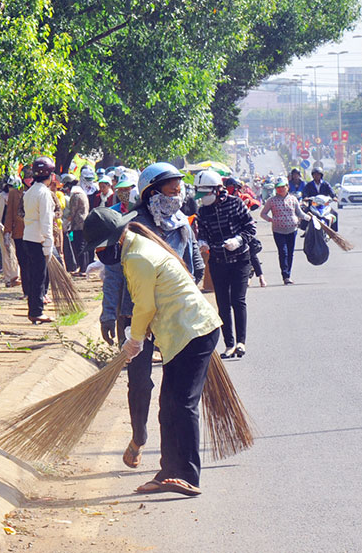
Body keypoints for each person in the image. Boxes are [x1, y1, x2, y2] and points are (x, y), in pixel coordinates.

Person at [84, 208, 222, 497]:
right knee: (168, 405)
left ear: (114, 241)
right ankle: (168, 472)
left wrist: (134, 341)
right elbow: (148, 302)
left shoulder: (137, 257)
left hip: (193, 332)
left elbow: (144, 307)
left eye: (99, 247)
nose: (99, 254)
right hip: (181, 334)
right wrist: (139, 334)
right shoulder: (135, 247)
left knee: (182, 405)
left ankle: (187, 475)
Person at [117, 162, 205, 468]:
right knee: (139, 381)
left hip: (173, 318)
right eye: (171, 189)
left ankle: (174, 458)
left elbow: (195, 264)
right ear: (151, 193)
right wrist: (108, 313)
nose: (177, 195)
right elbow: (116, 275)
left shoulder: (183, 223)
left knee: (175, 387)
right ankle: (138, 435)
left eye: (180, 190)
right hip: (136, 315)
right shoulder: (133, 227)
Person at [194, 169, 256, 359]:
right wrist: (202, 243)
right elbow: (202, 232)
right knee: (222, 303)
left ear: (217, 190)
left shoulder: (235, 203)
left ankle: (240, 342)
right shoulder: (203, 211)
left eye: (206, 194)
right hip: (218, 260)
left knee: (238, 300)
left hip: (240, 260)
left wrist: (238, 240)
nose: (202, 198)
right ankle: (228, 344)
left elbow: (250, 227)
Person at [22, 157, 56, 324]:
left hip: (28, 236)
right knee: (38, 277)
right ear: (50, 176)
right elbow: (46, 221)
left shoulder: (29, 192)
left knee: (34, 275)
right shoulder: (44, 193)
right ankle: (36, 311)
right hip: (39, 239)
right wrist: (48, 243)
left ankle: (35, 308)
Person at [260, 176, 306, 285]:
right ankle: (285, 275)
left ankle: (288, 274)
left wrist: (307, 217)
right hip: (278, 230)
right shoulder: (271, 201)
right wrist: (271, 219)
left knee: (290, 253)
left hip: (292, 229)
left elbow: (299, 213)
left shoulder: (293, 199)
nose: (281, 189)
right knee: (283, 252)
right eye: (278, 187)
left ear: (287, 187)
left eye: (283, 187)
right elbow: (263, 214)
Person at [0, 177, 21, 286]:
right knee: (5, 252)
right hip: (1, 228)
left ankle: (15, 276)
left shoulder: (18, 197)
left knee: (15, 252)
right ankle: (8, 278)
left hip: (15, 229)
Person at [5, 169, 29, 290]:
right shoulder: (15, 193)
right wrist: (7, 231)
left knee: (33, 263)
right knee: (23, 262)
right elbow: (9, 213)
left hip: (35, 233)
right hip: (19, 233)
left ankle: (38, 291)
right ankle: (26, 290)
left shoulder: (41, 191)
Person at [62, 174, 90, 275]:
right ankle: (83, 268)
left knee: (79, 246)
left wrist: (65, 223)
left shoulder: (75, 195)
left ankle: (83, 269)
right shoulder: (82, 193)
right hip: (84, 223)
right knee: (83, 246)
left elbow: (72, 212)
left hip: (78, 225)